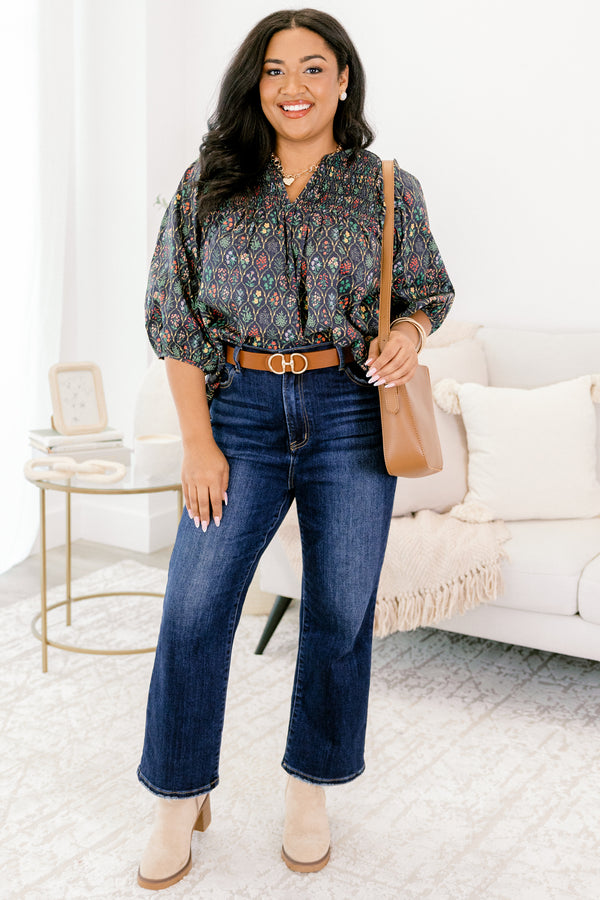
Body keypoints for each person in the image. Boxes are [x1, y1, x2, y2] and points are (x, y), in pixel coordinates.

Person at [137, 7, 454, 890]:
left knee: (341, 611)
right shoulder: (209, 182)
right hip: (235, 411)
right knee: (195, 609)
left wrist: (410, 336)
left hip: (351, 409)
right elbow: (175, 324)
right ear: (256, 83)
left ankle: (309, 791)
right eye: (275, 70)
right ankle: (176, 796)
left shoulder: (388, 185)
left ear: (344, 81)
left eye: (314, 69)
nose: (294, 87)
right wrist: (198, 443)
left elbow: (426, 291)